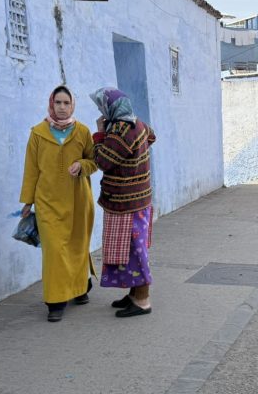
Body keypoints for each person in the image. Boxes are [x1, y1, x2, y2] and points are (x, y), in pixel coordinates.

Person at [19, 85, 97, 322]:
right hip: (48, 202)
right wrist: (27, 202)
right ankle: (55, 301)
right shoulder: (38, 133)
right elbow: (31, 170)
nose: (62, 108)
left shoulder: (82, 132)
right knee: (54, 251)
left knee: (76, 246)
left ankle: (81, 287)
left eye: (66, 103)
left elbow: (94, 161)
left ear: (72, 105)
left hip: (78, 201)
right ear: (51, 104)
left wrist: (82, 166)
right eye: (58, 103)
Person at [90, 87, 157, 318]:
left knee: (135, 252)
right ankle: (133, 294)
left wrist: (100, 134)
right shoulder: (136, 123)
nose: (101, 110)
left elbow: (102, 161)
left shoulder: (120, 129)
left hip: (127, 203)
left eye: (102, 106)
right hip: (138, 200)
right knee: (130, 251)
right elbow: (152, 136)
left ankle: (143, 301)